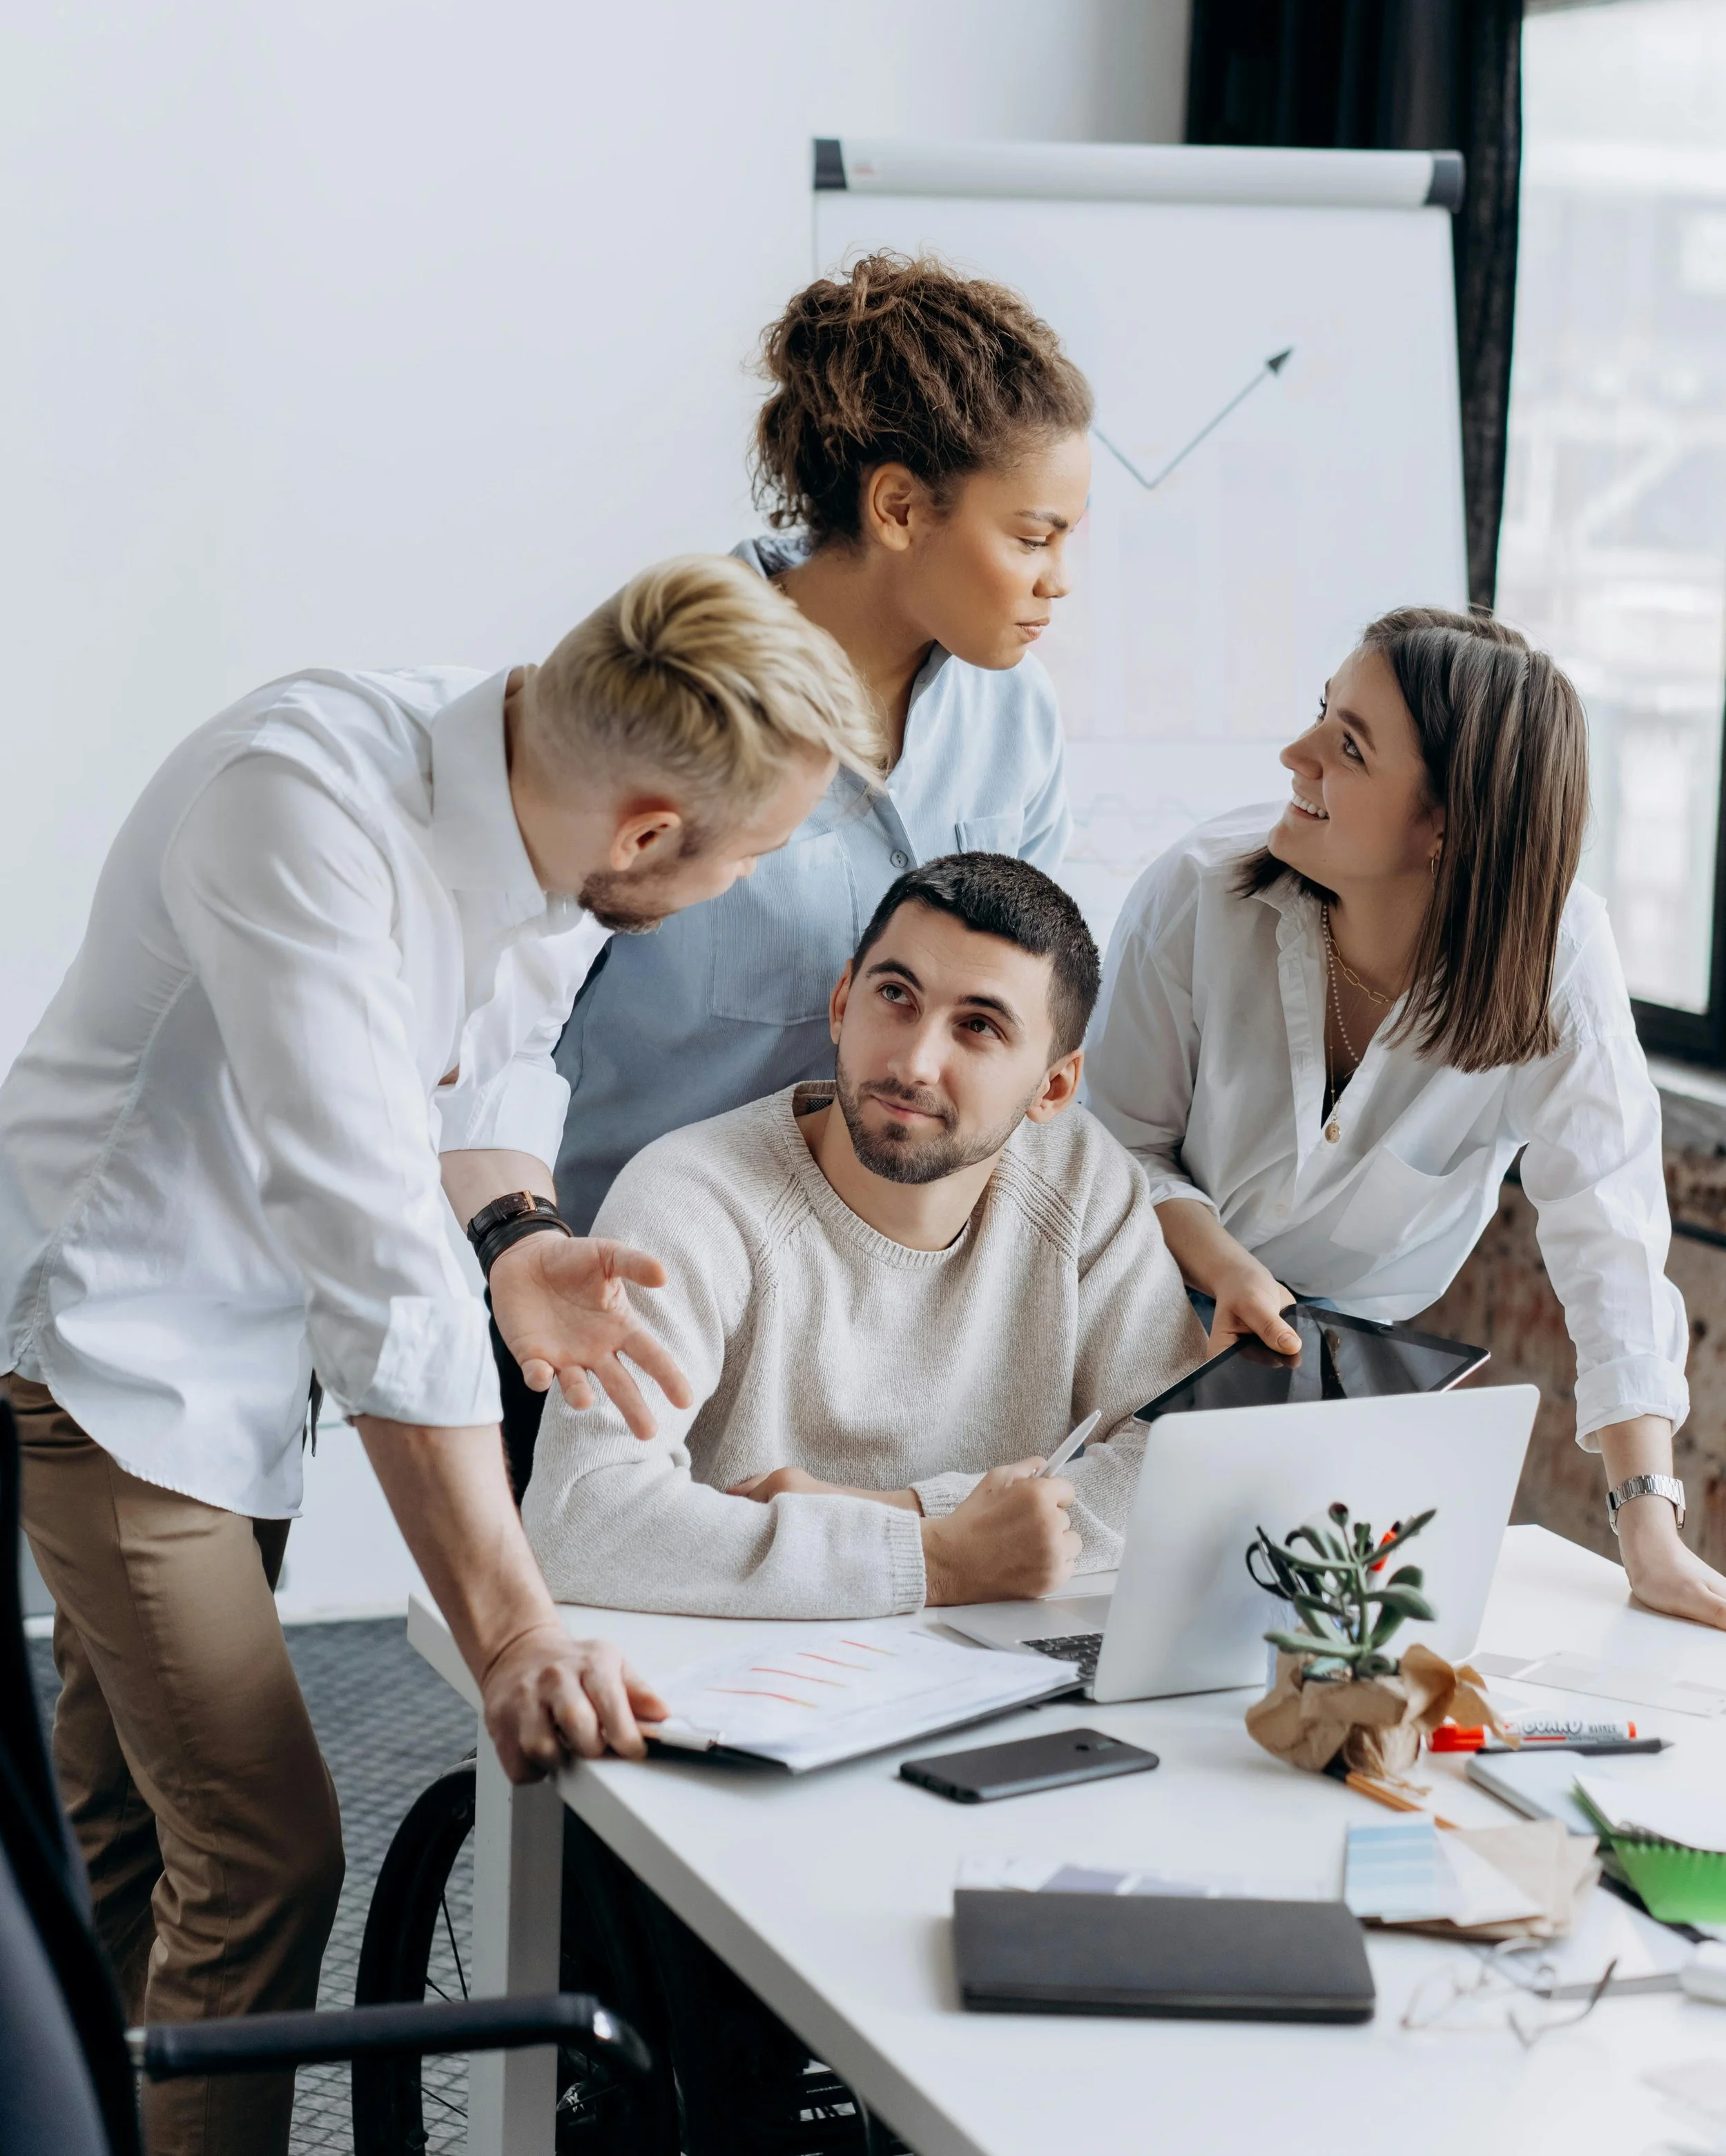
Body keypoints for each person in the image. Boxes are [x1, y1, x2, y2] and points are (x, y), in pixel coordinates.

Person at [0, 555, 880, 2156]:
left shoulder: (541, 787)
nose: (734, 889)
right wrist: (516, 1629)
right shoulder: (301, 814)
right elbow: (371, 1244)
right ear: (645, 834)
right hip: (115, 1363)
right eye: (740, 863)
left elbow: (495, 1071)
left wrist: (521, 1240)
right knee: (264, 1854)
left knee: (121, 1824)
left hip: (256, 1366)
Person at [516, 255, 1095, 1494]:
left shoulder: (1018, 715)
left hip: (856, 1314)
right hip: (612, 1295)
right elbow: (505, 1016)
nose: (1060, 580)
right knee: (583, 1662)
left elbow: (1019, 1017)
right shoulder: (668, 679)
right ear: (898, 508)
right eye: (1033, 535)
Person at [1084, 604, 1726, 1633]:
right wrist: (1229, 1264)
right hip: (1126, 1332)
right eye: (1320, 716)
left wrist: (1648, 1526)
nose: (1293, 755)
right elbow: (1107, 1150)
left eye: (1346, 746)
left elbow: (1609, 1231)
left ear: (1449, 822)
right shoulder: (1200, 892)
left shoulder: (1559, 954)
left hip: (1343, 1396)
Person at [525, 853, 1205, 1615]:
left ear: (1052, 1086)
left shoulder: (1085, 1180)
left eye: (977, 1026)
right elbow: (578, 1518)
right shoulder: (690, 1196)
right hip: (747, 1672)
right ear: (843, 1001)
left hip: (1001, 1667)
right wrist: (940, 1562)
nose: (913, 1061)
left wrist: (902, 1511)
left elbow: (1183, 1462)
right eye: (895, 995)